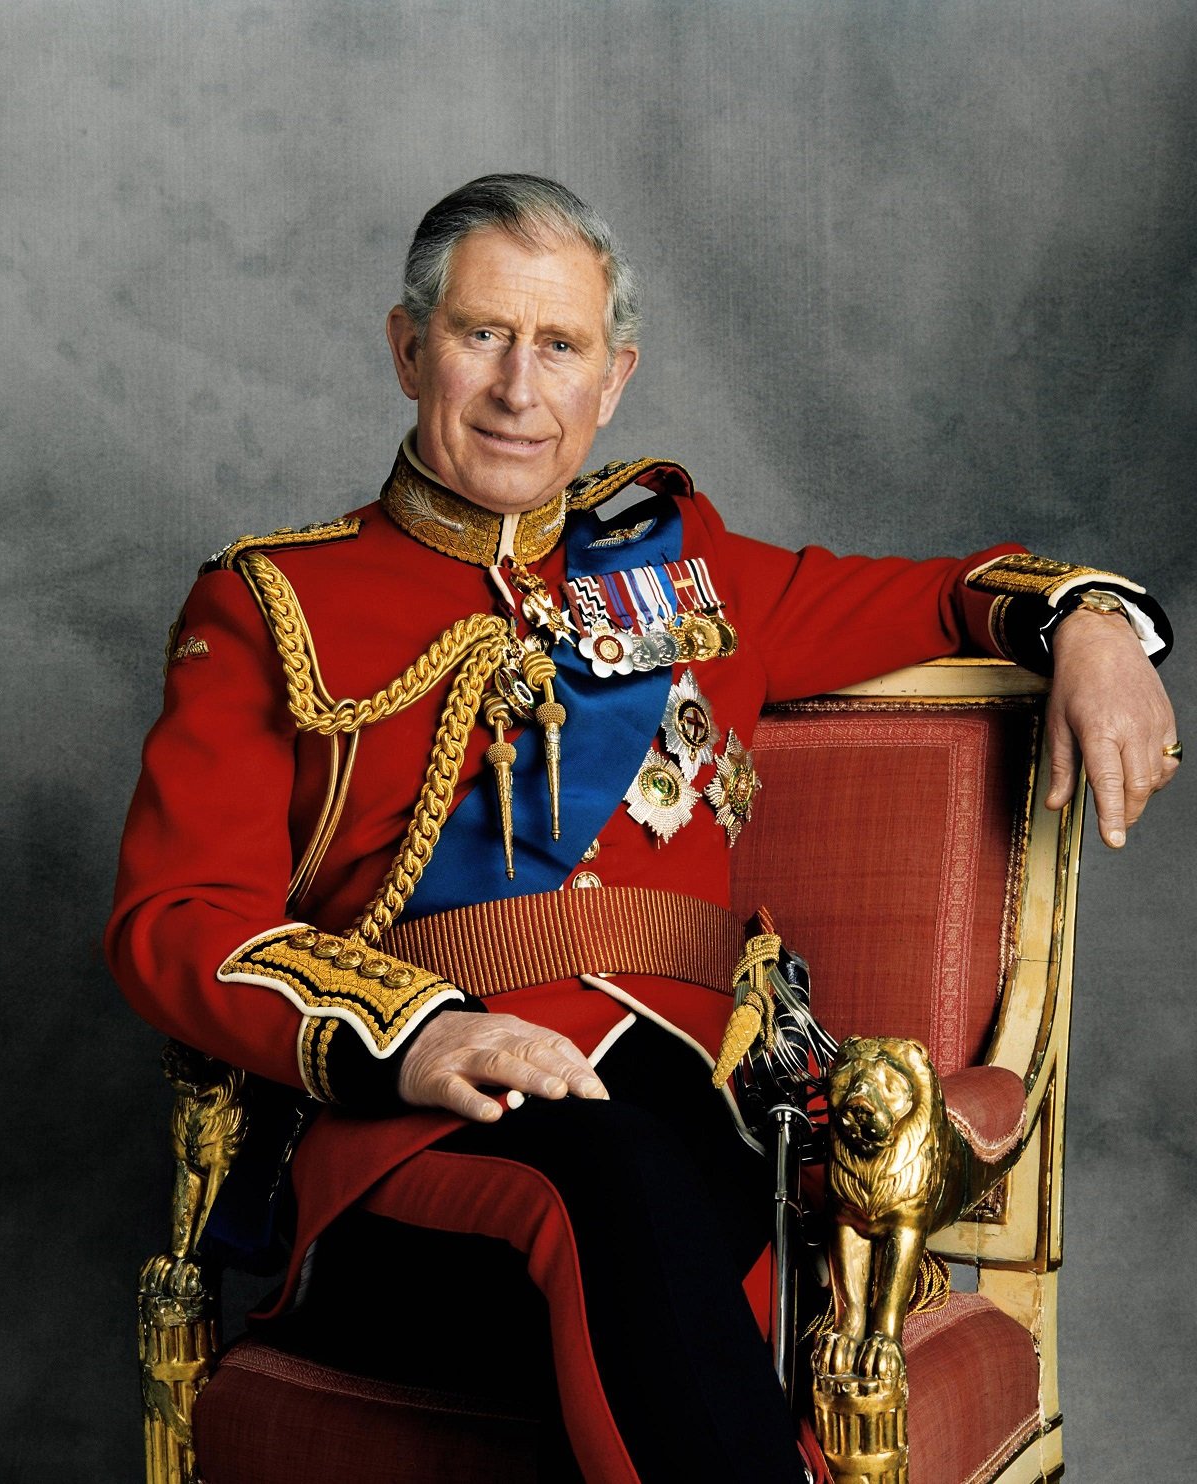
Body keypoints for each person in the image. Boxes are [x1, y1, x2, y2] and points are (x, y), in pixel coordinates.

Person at [108, 174, 1179, 1483]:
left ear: (612, 380)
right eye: (481, 335)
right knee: (608, 1174)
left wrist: (1091, 624)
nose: (519, 388)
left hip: (696, 1124)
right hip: (415, 1156)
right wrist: (416, 1035)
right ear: (408, 349)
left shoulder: (691, 570)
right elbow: (175, 925)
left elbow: (951, 599)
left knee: (658, 1158)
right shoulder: (274, 603)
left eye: (558, 346)